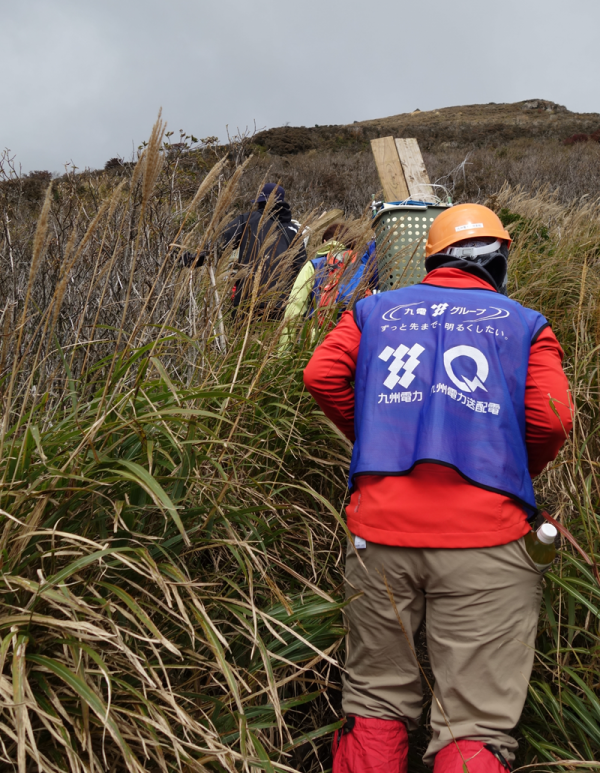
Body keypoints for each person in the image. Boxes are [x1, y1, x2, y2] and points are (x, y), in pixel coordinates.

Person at [303, 204, 572, 773]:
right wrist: (513, 469)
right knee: (474, 723)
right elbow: (552, 420)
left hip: (378, 538)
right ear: (498, 260)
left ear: (431, 258)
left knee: (375, 700)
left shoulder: (373, 311)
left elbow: (320, 375)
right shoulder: (525, 324)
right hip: (487, 539)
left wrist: (378, 440)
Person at [182, 183, 306, 319]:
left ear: (259, 202)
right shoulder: (293, 230)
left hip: (247, 299)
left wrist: (193, 259)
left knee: (240, 337)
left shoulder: (247, 220)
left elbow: (219, 245)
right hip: (280, 302)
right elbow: (301, 268)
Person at [279, 223, 377, 352]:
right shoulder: (364, 268)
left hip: (317, 344)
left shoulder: (314, 266)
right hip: (354, 342)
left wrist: (283, 353)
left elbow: (294, 311)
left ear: (325, 242)